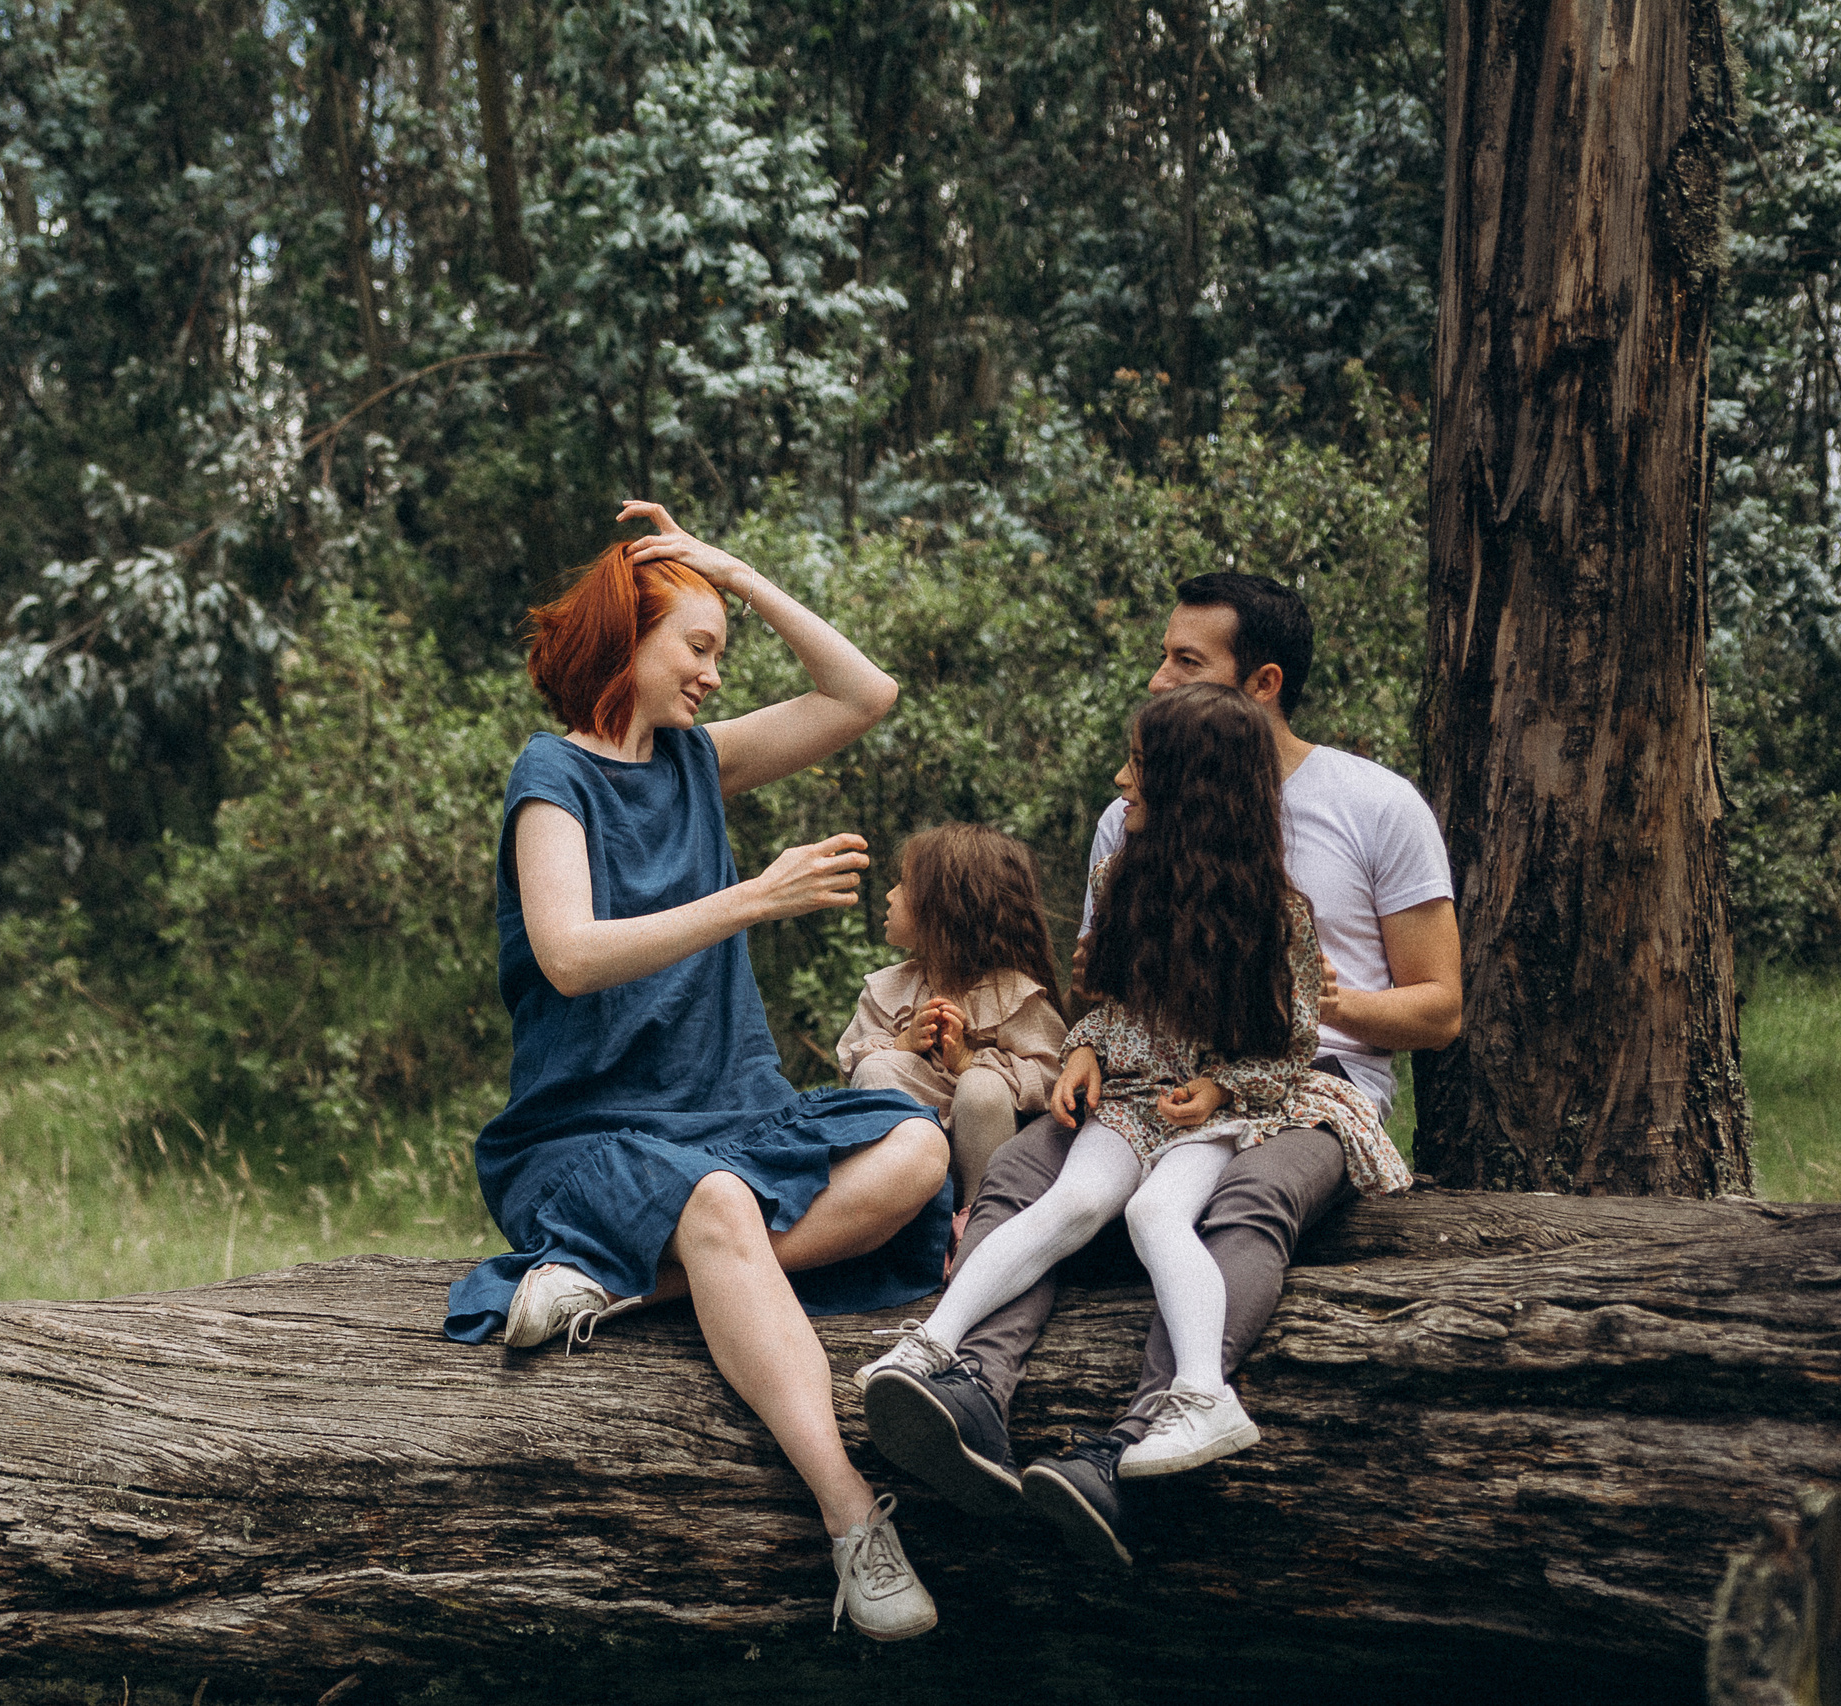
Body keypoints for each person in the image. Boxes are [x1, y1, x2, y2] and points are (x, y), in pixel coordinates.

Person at [864, 571, 1460, 1569]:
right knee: (1021, 1174)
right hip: (1151, 1075)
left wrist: (1283, 1010)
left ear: (1256, 682)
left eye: (1185, 662)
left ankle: (1144, 1435)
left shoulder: (1374, 806)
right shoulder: (1127, 826)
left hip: (1306, 1083)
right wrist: (1091, 1043)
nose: (1155, 676)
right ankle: (964, 1387)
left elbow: (1439, 1008)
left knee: (1237, 1203)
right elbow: (1114, 990)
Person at [442, 501, 955, 1642]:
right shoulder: (550, 779)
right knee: (716, 1201)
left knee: (917, 1147)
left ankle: (621, 1288)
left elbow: (863, 694)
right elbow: (570, 954)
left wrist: (732, 571)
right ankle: (850, 1515)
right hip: (585, 1137)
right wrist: (751, 896)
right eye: (699, 645)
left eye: (722, 650)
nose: (715, 676)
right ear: (626, 638)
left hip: (730, 1115)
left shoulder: (693, 761)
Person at [834, 824, 1067, 1211]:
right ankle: (899, 1216)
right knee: (878, 1068)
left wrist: (968, 1062)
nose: (889, 896)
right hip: (911, 1169)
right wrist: (902, 1044)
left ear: (945, 907)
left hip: (996, 1168)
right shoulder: (890, 989)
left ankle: (978, 1217)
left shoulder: (1011, 993)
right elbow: (853, 1063)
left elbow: (1055, 1075)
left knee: (981, 1088)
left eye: (903, 885)